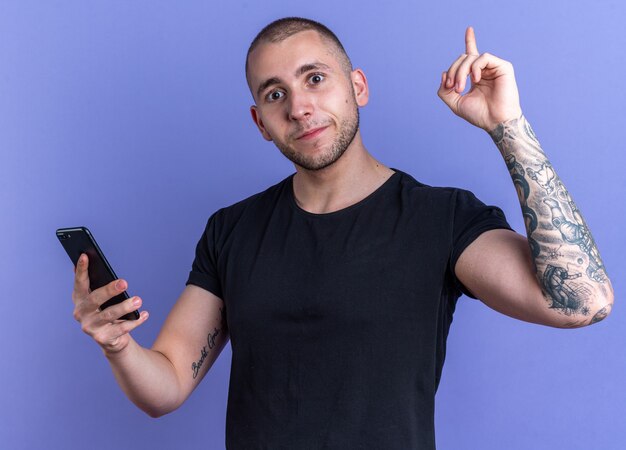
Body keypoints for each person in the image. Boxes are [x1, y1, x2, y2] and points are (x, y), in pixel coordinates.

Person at [71, 17, 614, 449]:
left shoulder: (442, 218)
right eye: (275, 94)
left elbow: (583, 302)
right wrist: (117, 345)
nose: (300, 106)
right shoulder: (231, 231)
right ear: (260, 121)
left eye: (314, 78)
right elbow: (165, 387)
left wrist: (508, 127)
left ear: (357, 87)